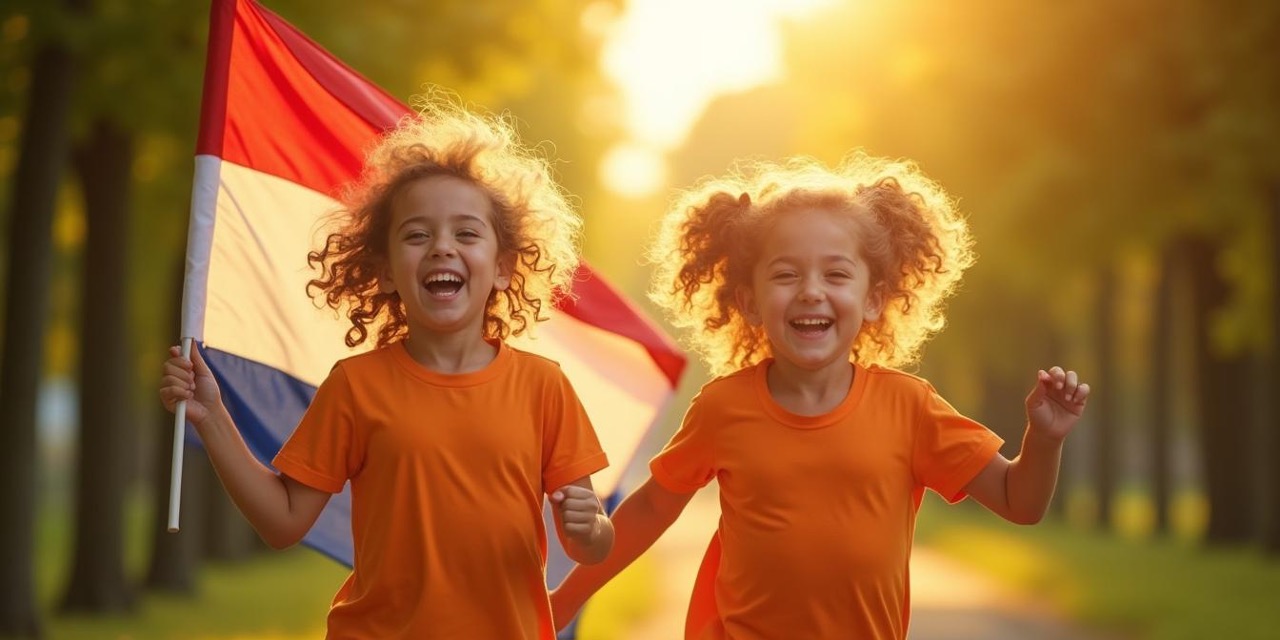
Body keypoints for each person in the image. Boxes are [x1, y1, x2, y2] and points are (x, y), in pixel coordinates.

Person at [550, 153, 1091, 639]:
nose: (811, 290)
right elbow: (648, 512)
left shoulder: (910, 408)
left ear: (875, 297)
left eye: (836, 273)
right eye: (785, 274)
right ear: (751, 301)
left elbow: (1020, 503)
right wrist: (562, 603)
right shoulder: (724, 409)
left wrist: (1043, 440)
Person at [160, 99, 614, 640]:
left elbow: (591, 546)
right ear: (384, 272)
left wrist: (591, 527)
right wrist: (211, 417)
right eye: (417, 235)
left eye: (466, 234)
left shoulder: (544, 387)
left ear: (502, 267)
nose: (442, 247)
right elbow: (282, 522)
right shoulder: (356, 386)